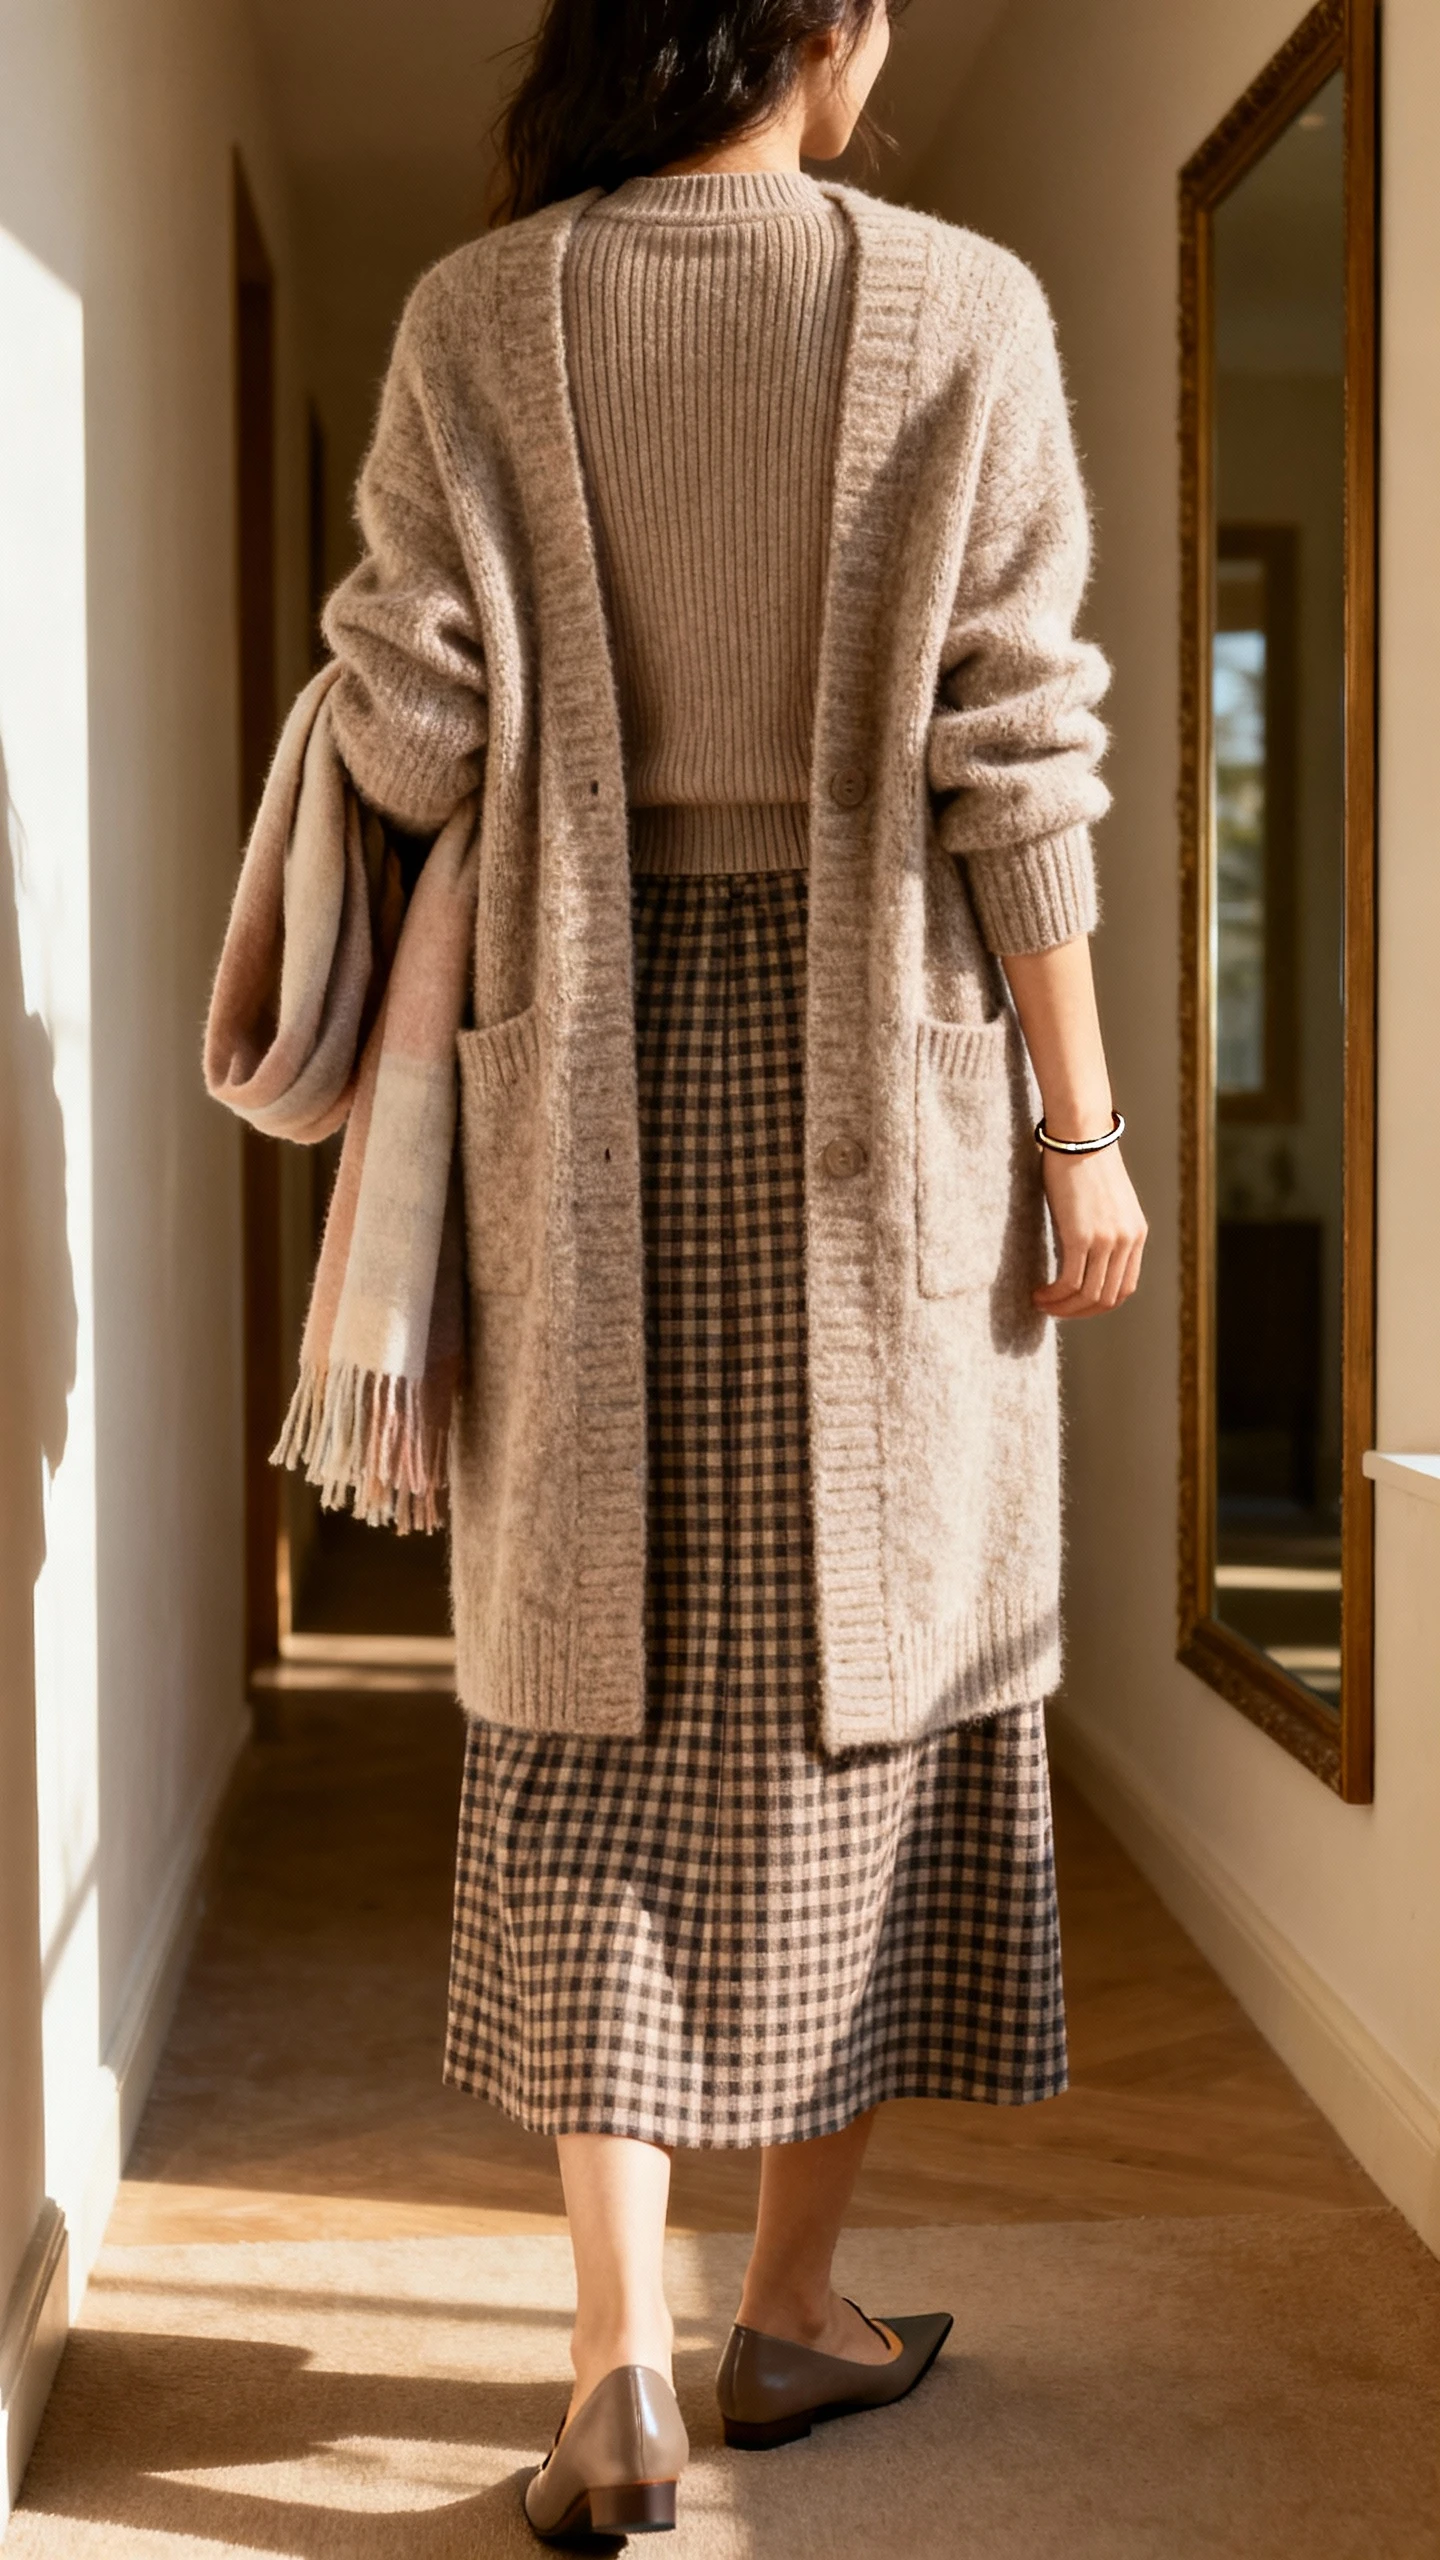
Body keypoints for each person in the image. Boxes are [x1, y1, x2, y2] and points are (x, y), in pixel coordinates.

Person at [207, 0, 1146, 2537]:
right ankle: (792, 2312)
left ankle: (612, 2371)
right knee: (881, 1674)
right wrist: (1084, 1129)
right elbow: (1019, 751)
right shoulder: (966, 311)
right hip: (896, 1110)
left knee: (594, 1692)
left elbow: (402, 729)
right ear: (828, 21)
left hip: (584, 1093)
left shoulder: (471, 322)